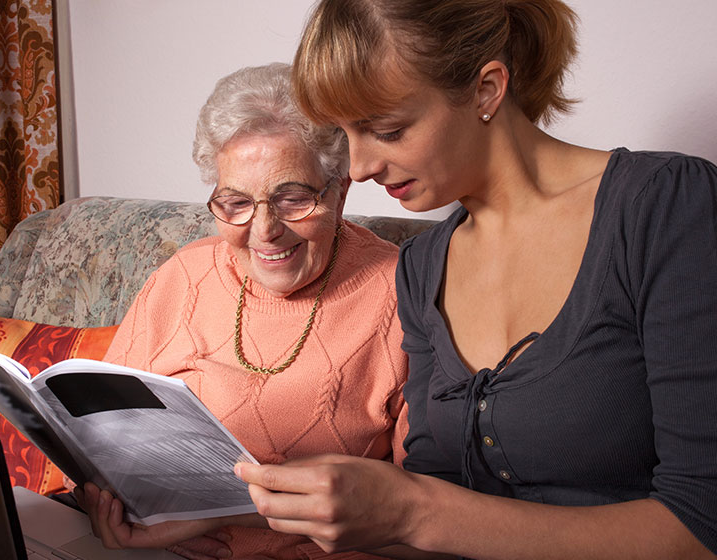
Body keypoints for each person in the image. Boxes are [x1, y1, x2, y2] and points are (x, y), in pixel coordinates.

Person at [234, 1, 717, 558]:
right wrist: (223, 512)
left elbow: (702, 522)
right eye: (346, 135)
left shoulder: (662, 205)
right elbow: (426, 518)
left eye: (387, 130)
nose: (360, 167)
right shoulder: (421, 267)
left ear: (487, 89)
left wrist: (413, 508)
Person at [75, 62, 409, 560]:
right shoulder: (183, 276)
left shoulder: (403, 296)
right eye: (235, 203)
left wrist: (208, 516)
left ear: (339, 190)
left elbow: (424, 518)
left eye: (292, 198)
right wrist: (102, 499)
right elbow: (97, 440)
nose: (264, 229)